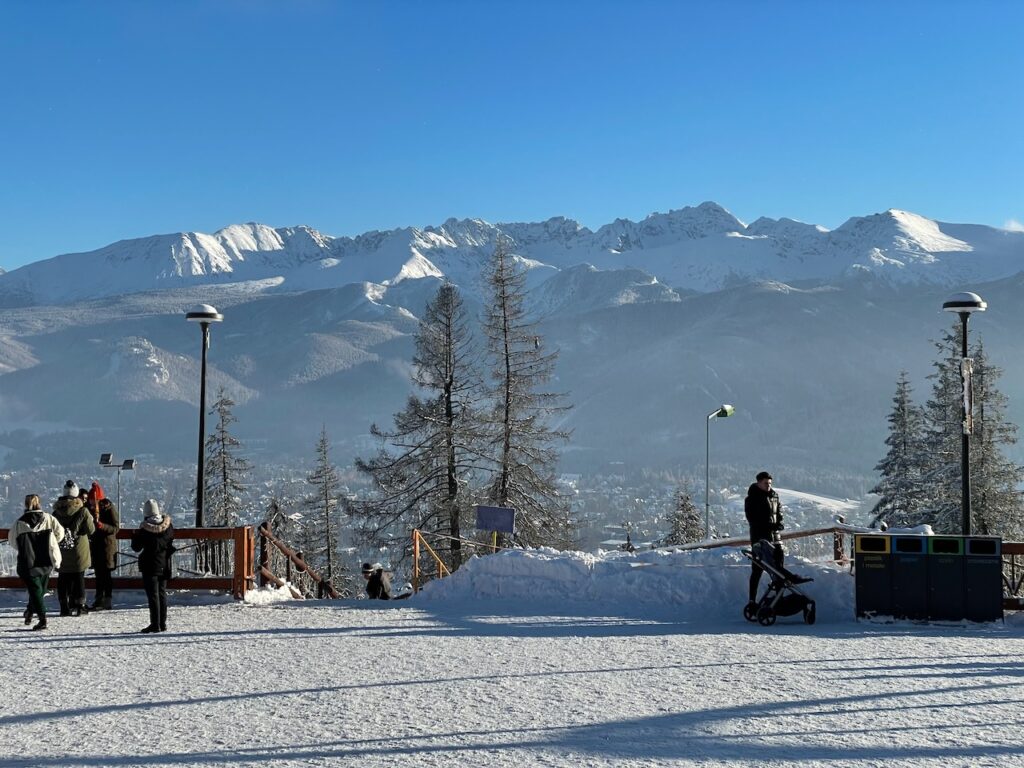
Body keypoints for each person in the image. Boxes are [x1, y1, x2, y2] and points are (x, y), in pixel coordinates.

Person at [13, 494, 65, 631]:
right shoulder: (48, 518)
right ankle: (35, 614)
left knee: (36, 590)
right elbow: (60, 532)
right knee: (39, 590)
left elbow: (13, 541)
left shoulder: (19, 523)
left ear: (25, 504)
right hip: (45, 559)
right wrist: (51, 541)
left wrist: (25, 546)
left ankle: (38, 616)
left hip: (27, 561)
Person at [53, 480, 96, 616]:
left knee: (63, 578)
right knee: (79, 578)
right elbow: (91, 530)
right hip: (79, 550)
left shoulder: (56, 512)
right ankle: (80, 605)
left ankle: (63, 606)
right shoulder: (82, 511)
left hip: (62, 549)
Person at [131, 499, 174, 633]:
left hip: (150, 565)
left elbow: (136, 548)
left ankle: (155, 624)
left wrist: (135, 536)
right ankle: (163, 623)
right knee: (162, 594)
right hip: (164, 563)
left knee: (153, 596)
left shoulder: (144, 530)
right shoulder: (168, 527)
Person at [87, 482, 120, 610]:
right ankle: (99, 599)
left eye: (92, 501)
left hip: (107, 546)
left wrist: (102, 526)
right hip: (96, 546)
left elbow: (115, 528)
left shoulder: (109, 508)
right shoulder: (89, 509)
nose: (91, 503)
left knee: (106, 575)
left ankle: (107, 599)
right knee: (98, 574)